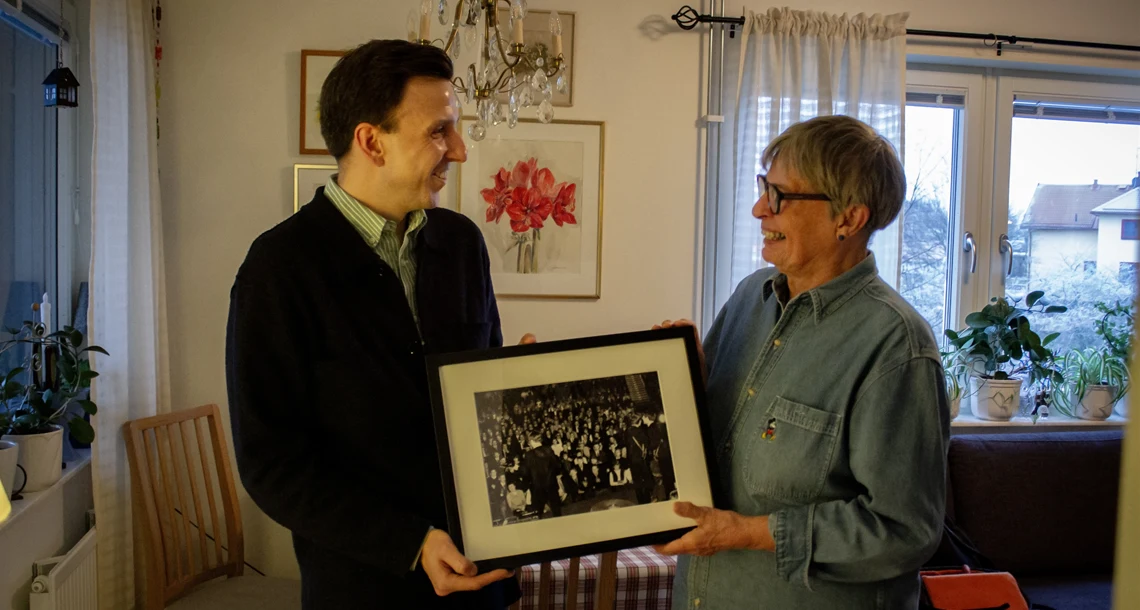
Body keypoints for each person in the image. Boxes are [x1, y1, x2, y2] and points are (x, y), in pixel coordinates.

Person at [226, 39, 531, 609]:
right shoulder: (278, 269)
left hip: (482, 585)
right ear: (371, 141)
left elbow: (474, 406)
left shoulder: (461, 243)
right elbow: (271, 465)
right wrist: (411, 544)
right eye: (439, 131)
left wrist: (517, 389)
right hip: (363, 592)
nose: (460, 151)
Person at [655, 116, 950, 609]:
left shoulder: (896, 346)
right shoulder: (752, 296)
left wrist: (749, 533)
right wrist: (691, 381)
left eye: (778, 195)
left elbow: (905, 531)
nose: (757, 209)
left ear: (848, 220)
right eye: (762, 188)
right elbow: (722, 448)